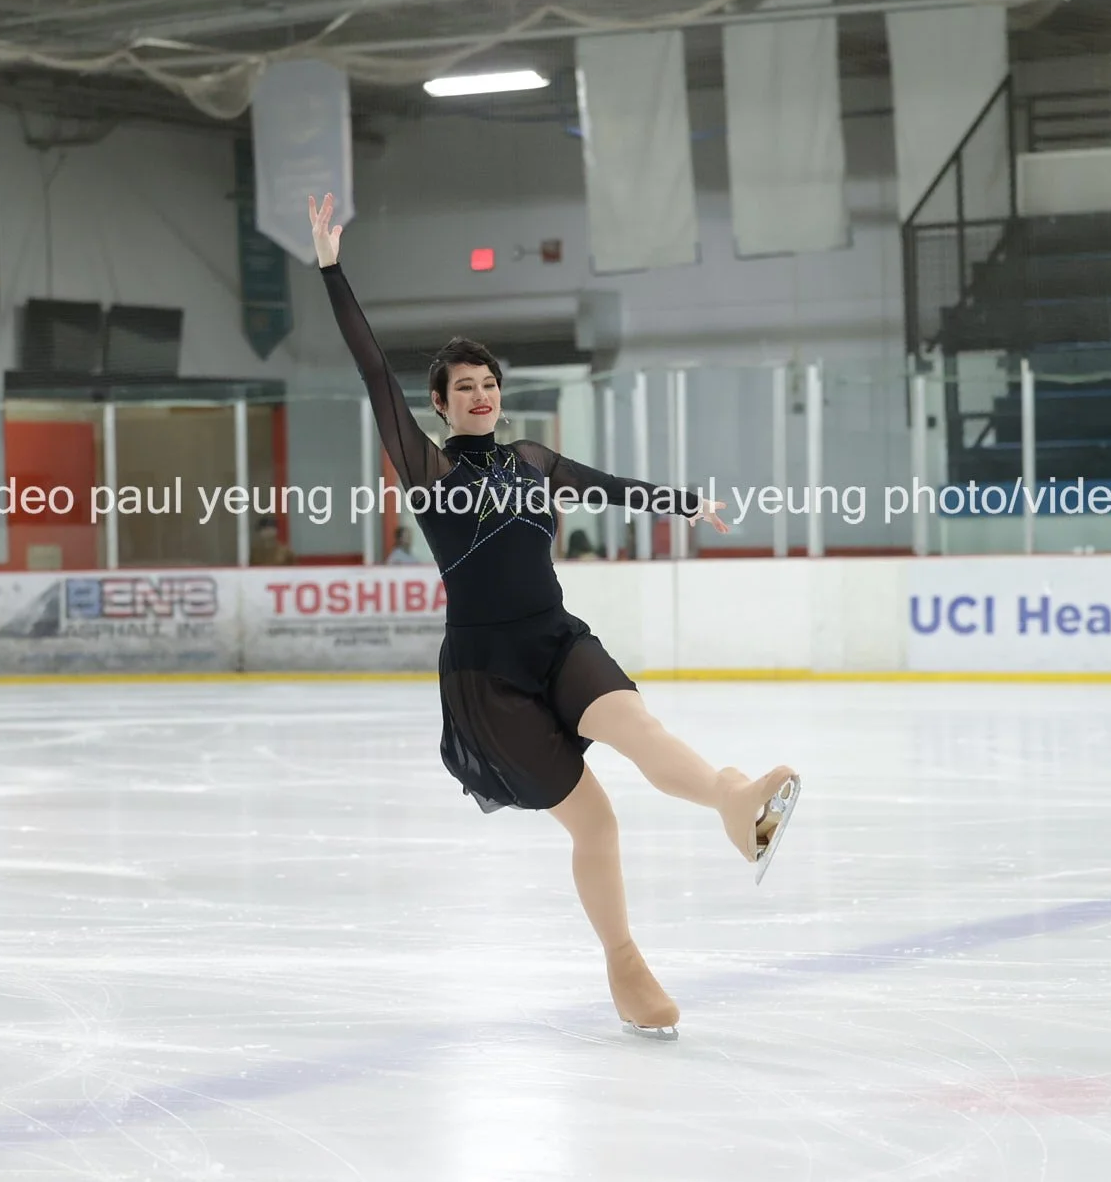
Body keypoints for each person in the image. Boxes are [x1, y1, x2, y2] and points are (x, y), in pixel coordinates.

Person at [307, 194, 800, 1042]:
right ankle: (626, 966)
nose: (482, 394)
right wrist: (330, 268)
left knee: (641, 729)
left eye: (489, 383)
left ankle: (735, 801)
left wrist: (683, 503)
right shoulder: (428, 471)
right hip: (487, 675)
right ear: (440, 404)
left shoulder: (531, 459)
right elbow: (373, 373)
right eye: (465, 387)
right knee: (596, 820)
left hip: (555, 637)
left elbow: (607, 486)